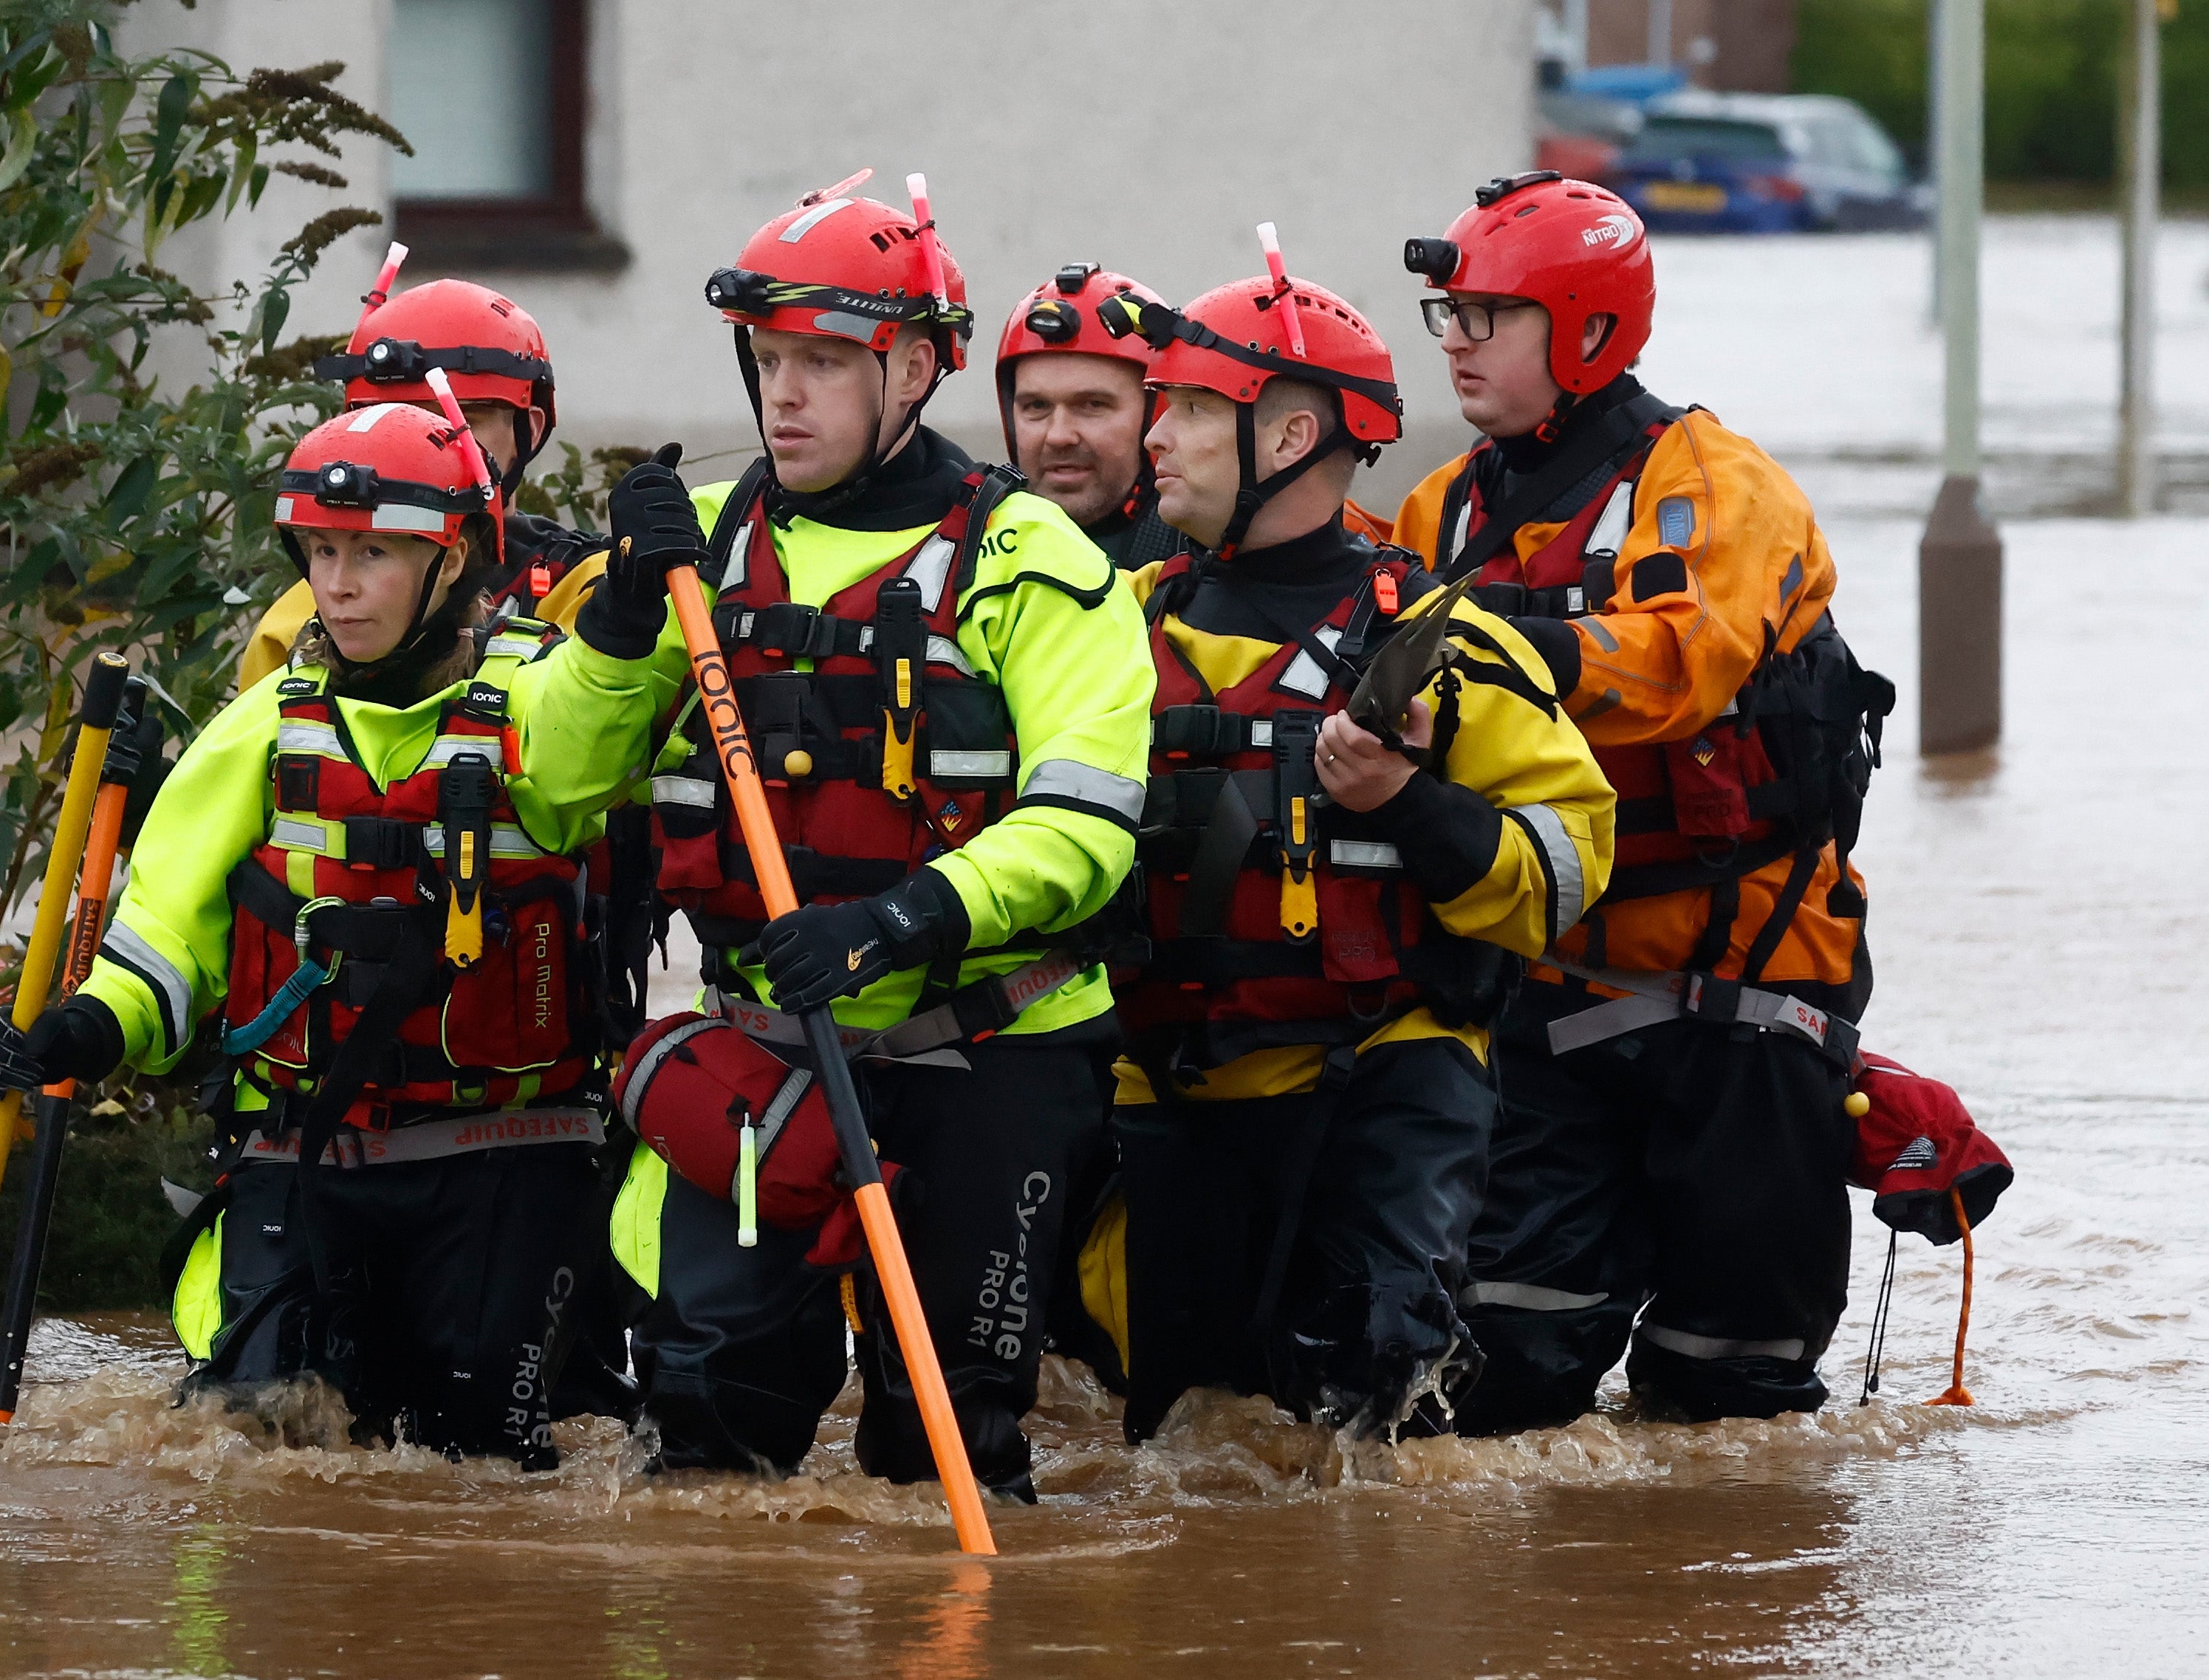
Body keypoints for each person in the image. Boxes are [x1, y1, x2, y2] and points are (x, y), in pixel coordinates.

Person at [549, 174, 1156, 1500]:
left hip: (987, 1048)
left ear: (919, 368)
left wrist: (896, 919)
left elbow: (1085, 826)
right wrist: (613, 622)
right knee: (702, 1424)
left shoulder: (1035, 561)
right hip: (769, 1052)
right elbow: (550, 779)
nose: (784, 396)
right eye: (769, 361)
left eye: (824, 362)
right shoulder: (697, 554)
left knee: (941, 1449)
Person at [0, 403, 673, 1464]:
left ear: (451, 562)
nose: (337, 584)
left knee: (480, 1455)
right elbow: (164, 935)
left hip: (503, 1154)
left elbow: (597, 729)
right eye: (322, 552)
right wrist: (83, 1028)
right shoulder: (262, 726)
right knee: (256, 1438)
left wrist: (626, 612)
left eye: (373, 554)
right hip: (304, 1150)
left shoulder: (537, 697)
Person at [1388, 171, 1895, 1431]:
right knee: (1497, 1383)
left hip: (1743, 1000)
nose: (1452, 344)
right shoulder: (1437, 512)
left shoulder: (1713, 483)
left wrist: (1489, 647)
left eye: (1482, 319)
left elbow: (1680, 663)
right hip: (1543, 997)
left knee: (1732, 1392)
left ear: (1586, 330)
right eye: (1442, 317)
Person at [1097, 260, 1616, 1443]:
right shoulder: (1117, 625)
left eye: (1182, 407)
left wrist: (1408, 802)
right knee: (1181, 1439)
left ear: (1287, 432)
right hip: (1170, 1084)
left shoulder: (1442, 640)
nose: (1151, 434)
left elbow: (1569, 870)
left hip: (1378, 1081)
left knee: (1370, 1407)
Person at [237, 277, 605, 690]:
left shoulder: (588, 590)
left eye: (457, 420)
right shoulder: (301, 620)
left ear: (530, 430)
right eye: (395, 420)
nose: (420, 446)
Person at [996, 263, 1183, 568]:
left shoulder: (1208, 565)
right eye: (1037, 407)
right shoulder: (967, 552)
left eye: (1093, 405)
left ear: (1156, 415)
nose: (1059, 436)